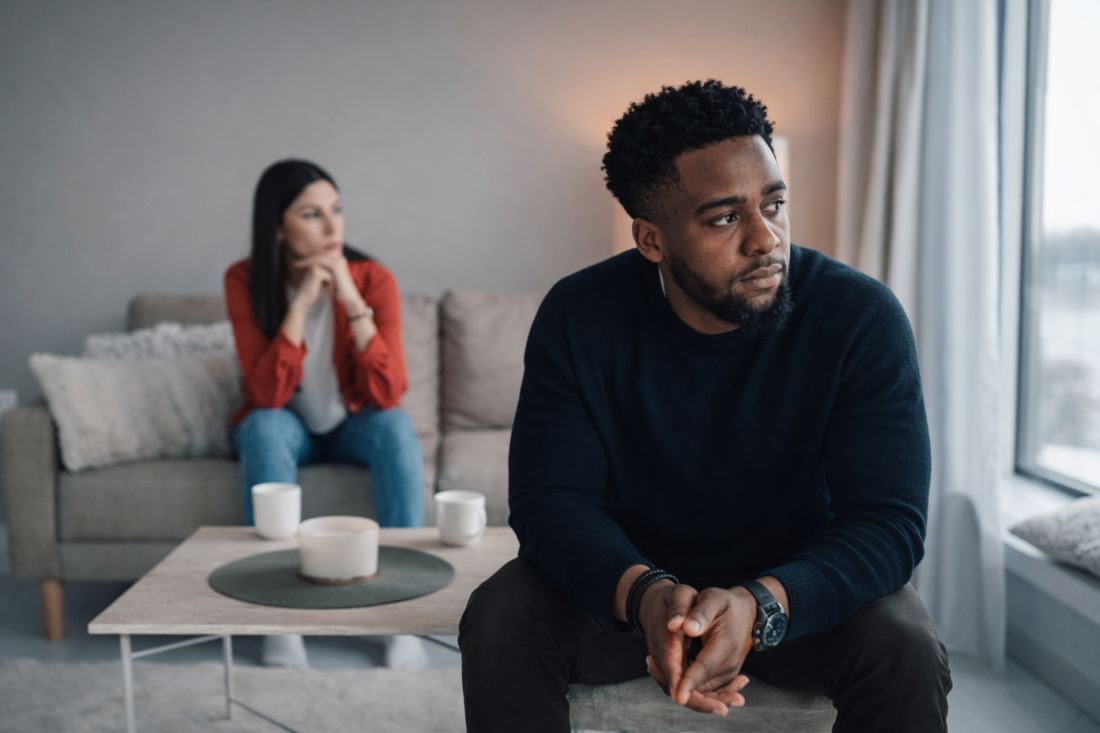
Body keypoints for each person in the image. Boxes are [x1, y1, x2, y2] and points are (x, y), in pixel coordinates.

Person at [459, 81, 951, 732]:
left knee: (904, 646)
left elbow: (888, 521)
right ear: (651, 240)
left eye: (774, 205)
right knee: (501, 615)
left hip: (795, 595)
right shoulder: (578, 316)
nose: (765, 239)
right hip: (630, 595)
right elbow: (549, 503)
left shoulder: (859, 317)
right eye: (725, 218)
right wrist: (647, 595)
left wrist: (762, 605)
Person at [225, 159, 425, 668]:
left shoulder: (373, 278)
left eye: (336, 210)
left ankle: (404, 611)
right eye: (312, 214)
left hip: (353, 424)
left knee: (396, 425)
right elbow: (266, 394)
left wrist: (351, 299)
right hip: (288, 426)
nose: (332, 226)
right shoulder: (244, 279)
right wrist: (301, 303)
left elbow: (388, 392)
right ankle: (278, 615)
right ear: (277, 226)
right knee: (263, 425)